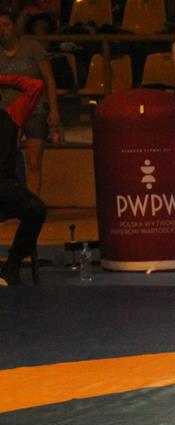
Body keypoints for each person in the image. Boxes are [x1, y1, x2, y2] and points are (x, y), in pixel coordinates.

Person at [0, 9, 58, 196]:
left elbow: (48, 79)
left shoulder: (32, 47)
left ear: (14, 26)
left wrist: (54, 110)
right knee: (8, 161)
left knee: (34, 162)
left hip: (35, 110)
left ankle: (33, 203)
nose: (2, 30)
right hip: (8, 114)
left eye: (6, 25)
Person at [0, 73, 45, 287]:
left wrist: (1, 79)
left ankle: (12, 265)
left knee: (36, 209)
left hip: (4, 186)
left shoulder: (11, 116)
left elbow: (36, 86)